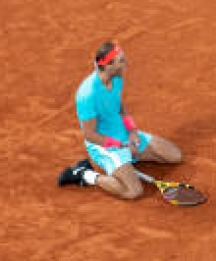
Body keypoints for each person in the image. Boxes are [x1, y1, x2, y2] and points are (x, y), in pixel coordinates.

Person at [57, 41, 182, 199]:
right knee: (133, 191)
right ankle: (85, 174)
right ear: (108, 65)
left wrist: (132, 132)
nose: (126, 63)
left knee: (174, 155)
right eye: (121, 61)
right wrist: (121, 146)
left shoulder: (116, 78)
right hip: (105, 146)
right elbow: (90, 135)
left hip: (124, 136)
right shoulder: (87, 95)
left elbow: (119, 106)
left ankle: (127, 162)